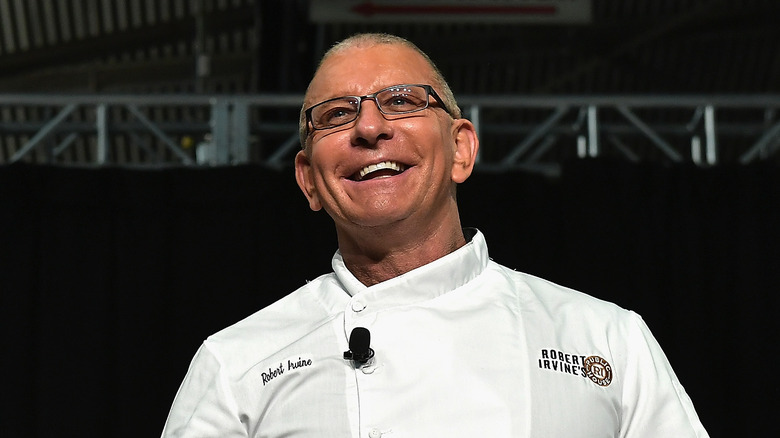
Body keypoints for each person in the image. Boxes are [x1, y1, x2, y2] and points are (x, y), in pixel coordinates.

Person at [161, 33, 709, 437]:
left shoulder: (607, 341)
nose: (370, 128)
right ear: (309, 180)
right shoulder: (236, 365)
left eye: (402, 101)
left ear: (462, 151)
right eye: (335, 115)